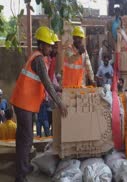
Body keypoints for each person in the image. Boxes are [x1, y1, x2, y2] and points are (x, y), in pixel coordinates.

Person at [10, 26, 68, 182]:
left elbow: (47, 82)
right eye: (49, 45)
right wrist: (60, 103)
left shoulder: (39, 58)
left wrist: (59, 88)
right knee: (26, 138)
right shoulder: (39, 60)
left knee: (24, 137)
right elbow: (47, 84)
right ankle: (20, 175)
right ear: (41, 45)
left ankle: (24, 166)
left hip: (25, 103)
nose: (51, 48)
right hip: (23, 104)